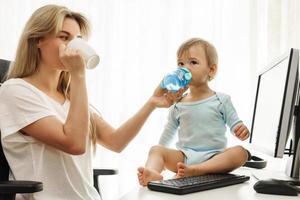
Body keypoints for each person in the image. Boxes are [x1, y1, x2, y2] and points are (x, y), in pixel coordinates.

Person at [0, 5, 184, 200]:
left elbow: (116, 141)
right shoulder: (16, 91)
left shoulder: (70, 97)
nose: (73, 46)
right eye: (64, 37)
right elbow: (74, 144)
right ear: (38, 39)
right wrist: (78, 75)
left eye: (77, 40)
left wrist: (152, 103)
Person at [137, 38, 250, 186]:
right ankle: (153, 173)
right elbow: (169, 131)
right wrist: (162, 156)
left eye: (193, 62)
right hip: (184, 158)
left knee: (241, 153)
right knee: (156, 150)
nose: (185, 68)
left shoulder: (221, 100)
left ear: (211, 70)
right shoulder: (178, 104)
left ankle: (197, 170)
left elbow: (235, 123)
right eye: (181, 63)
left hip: (215, 158)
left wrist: (240, 130)